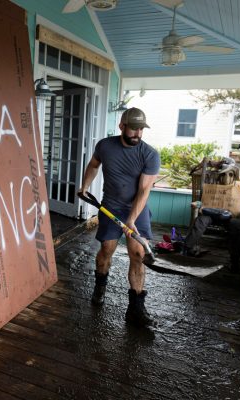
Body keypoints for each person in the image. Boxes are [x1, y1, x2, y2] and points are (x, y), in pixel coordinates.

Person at [78, 107, 160, 327]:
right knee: (107, 249)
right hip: (111, 207)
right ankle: (100, 284)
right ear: (122, 126)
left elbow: (144, 191)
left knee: (138, 252)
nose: (137, 133)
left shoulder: (150, 154)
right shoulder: (105, 146)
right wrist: (85, 186)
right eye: (133, 129)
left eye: (141, 129)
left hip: (137, 209)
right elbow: (94, 165)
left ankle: (136, 308)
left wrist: (132, 220)